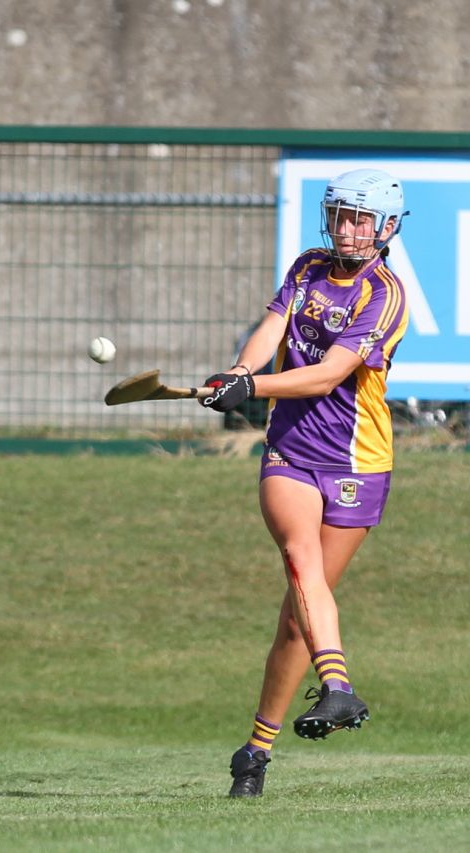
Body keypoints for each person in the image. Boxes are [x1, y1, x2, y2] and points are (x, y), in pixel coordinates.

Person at [200, 168, 411, 798]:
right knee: (300, 558)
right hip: (290, 451)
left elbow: (327, 375)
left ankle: (253, 753)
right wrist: (241, 368)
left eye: (360, 218)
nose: (347, 229)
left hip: (356, 461)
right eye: (340, 215)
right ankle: (340, 688)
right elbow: (272, 328)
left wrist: (250, 388)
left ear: (387, 227)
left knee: (299, 617)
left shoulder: (385, 295)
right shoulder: (306, 267)